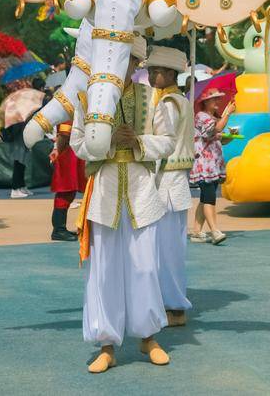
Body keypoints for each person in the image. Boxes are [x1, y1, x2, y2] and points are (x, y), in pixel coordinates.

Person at [71, 36, 176, 373]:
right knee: (104, 273)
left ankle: (148, 338)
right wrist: (103, 142)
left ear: (136, 64)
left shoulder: (151, 97)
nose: (119, 64)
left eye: (127, 59)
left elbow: (168, 141)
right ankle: (106, 345)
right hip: (103, 195)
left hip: (142, 194)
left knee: (144, 268)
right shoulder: (88, 97)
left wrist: (139, 142)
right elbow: (77, 144)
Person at [145, 45, 194, 327]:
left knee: (166, 250)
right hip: (173, 182)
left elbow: (163, 142)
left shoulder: (168, 104)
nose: (152, 76)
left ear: (171, 74)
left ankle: (174, 305)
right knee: (168, 248)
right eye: (151, 71)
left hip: (166, 181)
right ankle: (170, 303)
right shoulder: (180, 101)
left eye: (157, 72)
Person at [189, 86, 234, 245]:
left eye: (218, 98)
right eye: (214, 98)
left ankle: (197, 232)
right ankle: (215, 230)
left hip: (213, 165)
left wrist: (231, 136)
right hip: (205, 165)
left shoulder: (212, 116)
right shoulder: (201, 116)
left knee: (205, 198)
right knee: (209, 198)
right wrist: (227, 113)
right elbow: (216, 129)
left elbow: (220, 138)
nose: (218, 101)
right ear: (205, 102)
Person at [49, 110, 86, 241]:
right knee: (65, 192)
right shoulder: (70, 109)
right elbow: (64, 134)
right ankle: (58, 229)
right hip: (70, 154)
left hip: (74, 152)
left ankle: (60, 228)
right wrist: (58, 150)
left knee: (69, 192)